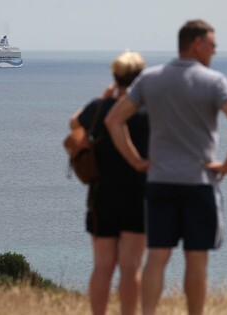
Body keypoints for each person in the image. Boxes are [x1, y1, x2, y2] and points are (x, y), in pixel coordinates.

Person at [105, 19, 227, 315]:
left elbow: (113, 120)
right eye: (212, 44)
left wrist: (136, 160)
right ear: (196, 44)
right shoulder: (215, 81)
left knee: (157, 256)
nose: (215, 50)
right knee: (197, 259)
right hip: (199, 184)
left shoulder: (150, 78)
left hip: (160, 182)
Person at [69, 51, 148, 315]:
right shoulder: (149, 112)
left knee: (103, 265)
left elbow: (73, 122)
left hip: (102, 195)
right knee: (131, 267)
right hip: (139, 194)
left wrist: (105, 98)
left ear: (115, 77)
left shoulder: (99, 108)